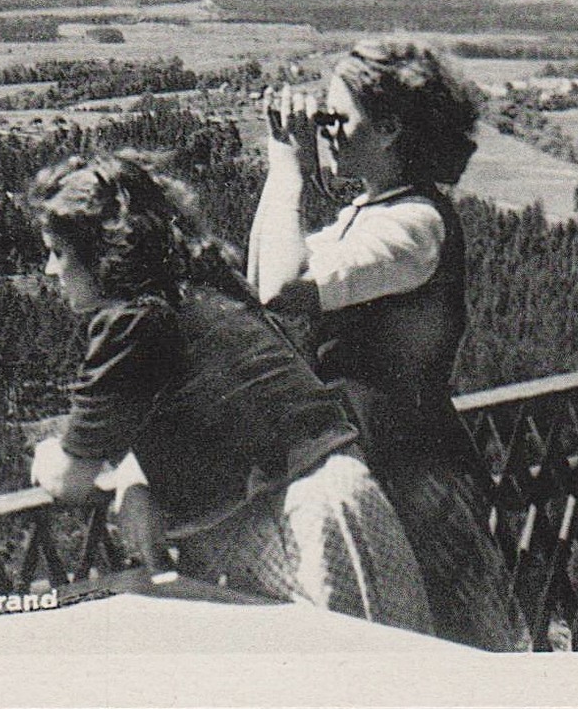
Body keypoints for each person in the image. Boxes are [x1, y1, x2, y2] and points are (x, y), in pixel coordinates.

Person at [27, 152, 433, 634]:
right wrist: (139, 473)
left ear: (98, 254)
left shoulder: (129, 323)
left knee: (370, 689)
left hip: (301, 523)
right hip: (334, 498)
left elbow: (70, 479)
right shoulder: (206, 283)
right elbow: (211, 398)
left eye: (58, 252)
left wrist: (47, 456)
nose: (51, 270)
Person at [247, 39, 530, 651]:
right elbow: (262, 274)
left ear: (391, 129)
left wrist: (285, 165)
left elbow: (282, 287)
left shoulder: (414, 223)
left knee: (458, 648)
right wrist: (292, 162)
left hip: (411, 471)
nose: (328, 132)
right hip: (376, 458)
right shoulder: (373, 212)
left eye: (339, 120)